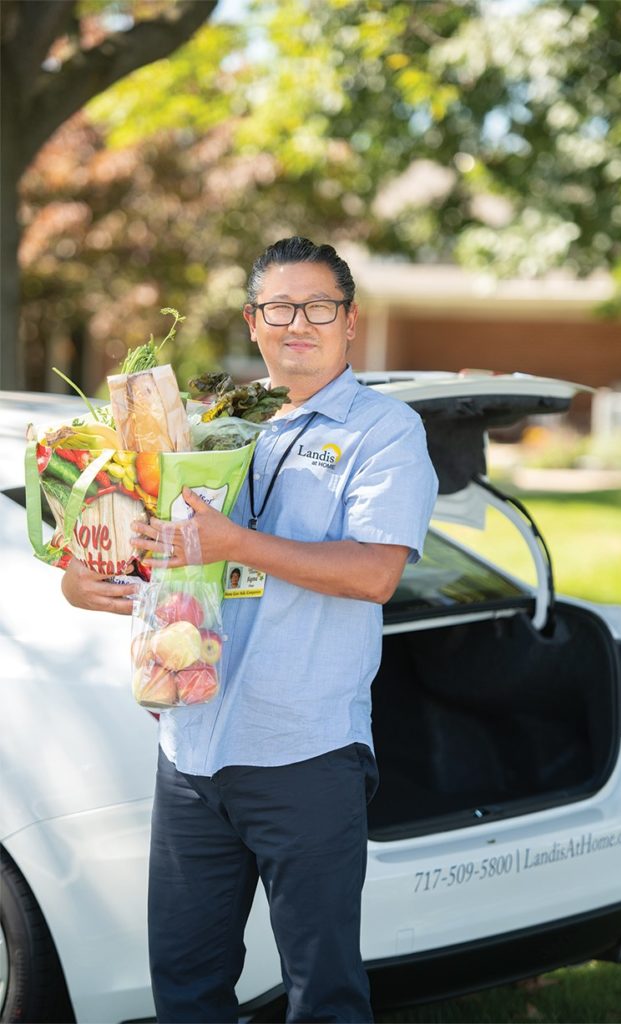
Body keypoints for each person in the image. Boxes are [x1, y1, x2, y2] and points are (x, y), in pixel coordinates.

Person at [61, 237, 438, 1024]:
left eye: (317, 307)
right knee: (187, 987)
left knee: (322, 995)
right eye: (278, 307)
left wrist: (236, 544)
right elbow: (146, 537)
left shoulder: (384, 432)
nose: (296, 323)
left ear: (348, 320)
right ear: (252, 320)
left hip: (303, 753)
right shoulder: (210, 422)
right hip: (190, 748)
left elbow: (373, 574)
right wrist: (83, 574)